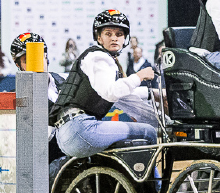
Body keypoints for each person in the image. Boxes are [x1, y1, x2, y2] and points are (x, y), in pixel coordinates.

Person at [52, 10, 160, 158]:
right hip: (81, 129)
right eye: (108, 34)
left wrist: (155, 94)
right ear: (99, 37)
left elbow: (123, 94)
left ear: (125, 39)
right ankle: (152, 182)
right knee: (148, 132)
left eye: (119, 34)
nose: (114, 38)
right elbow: (111, 92)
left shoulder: (99, 58)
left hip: (70, 132)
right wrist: (139, 76)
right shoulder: (99, 57)